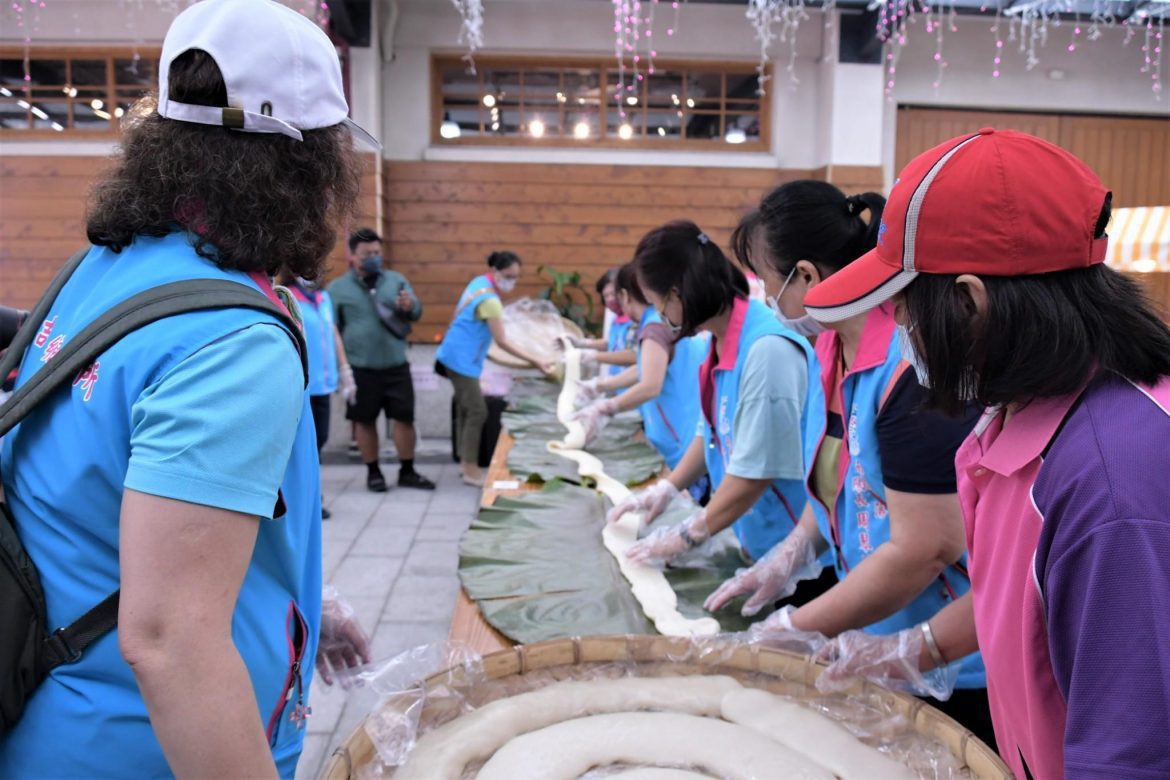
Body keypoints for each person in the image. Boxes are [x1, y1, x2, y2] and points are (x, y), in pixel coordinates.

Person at [0, 1, 370, 776]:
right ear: (309, 166)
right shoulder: (232, 341)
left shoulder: (106, 267)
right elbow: (168, 641)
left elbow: (115, 508)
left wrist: (301, 605)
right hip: (128, 748)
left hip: (48, 716)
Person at [806, 129, 1170, 778]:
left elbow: (1130, 753)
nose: (903, 332)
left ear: (970, 304)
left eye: (906, 309)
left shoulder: (1112, 489)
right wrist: (911, 648)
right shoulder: (1012, 414)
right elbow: (1025, 588)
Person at [705, 179, 992, 744]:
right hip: (872, 637)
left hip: (949, 660)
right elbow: (848, 487)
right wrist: (791, 554)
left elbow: (927, 546)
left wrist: (797, 625)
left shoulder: (910, 368)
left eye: (768, 284)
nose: (766, 300)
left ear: (806, 277)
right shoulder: (830, 349)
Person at [605, 222, 815, 572]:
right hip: (753, 535)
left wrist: (688, 534)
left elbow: (756, 470)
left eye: (658, 304)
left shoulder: (767, 350)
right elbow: (711, 429)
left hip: (790, 552)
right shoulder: (718, 342)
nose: (660, 316)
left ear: (677, 295)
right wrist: (668, 488)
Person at [329, 228, 435, 492]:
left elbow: (417, 312)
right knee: (364, 421)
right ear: (352, 256)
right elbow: (333, 330)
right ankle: (373, 472)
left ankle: (407, 470)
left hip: (396, 364)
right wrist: (339, 369)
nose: (373, 257)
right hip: (361, 367)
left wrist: (410, 306)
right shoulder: (338, 289)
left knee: (404, 418)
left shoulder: (395, 280)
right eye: (367, 254)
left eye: (377, 252)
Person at [436, 251, 555, 486]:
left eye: (516, 277)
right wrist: (536, 360)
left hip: (453, 354)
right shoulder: (490, 300)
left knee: (465, 409)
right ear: (495, 271)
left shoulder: (478, 283)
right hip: (462, 360)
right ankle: (471, 470)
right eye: (508, 276)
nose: (511, 281)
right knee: (477, 411)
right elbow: (502, 341)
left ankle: (464, 461)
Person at [573, 262, 707, 471]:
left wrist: (606, 408)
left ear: (625, 296)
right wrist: (601, 386)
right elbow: (646, 367)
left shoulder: (654, 327)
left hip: (680, 437)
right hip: (691, 428)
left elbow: (650, 385)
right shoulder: (662, 319)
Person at [279, 268, 356, 519]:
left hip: (324, 384)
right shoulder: (287, 298)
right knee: (300, 446)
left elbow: (333, 332)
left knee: (319, 441)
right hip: (301, 384)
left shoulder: (324, 298)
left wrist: (345, 370)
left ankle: (311, 496)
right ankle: (305, 500)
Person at [566, 268, 637, 379]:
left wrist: (595, 356)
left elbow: (633, 355)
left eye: (612, 294)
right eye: (605, 296)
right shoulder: (616, 319)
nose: (610, 300)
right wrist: (583, 343)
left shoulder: (635, 320)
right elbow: (613, 344)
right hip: (618, 383)